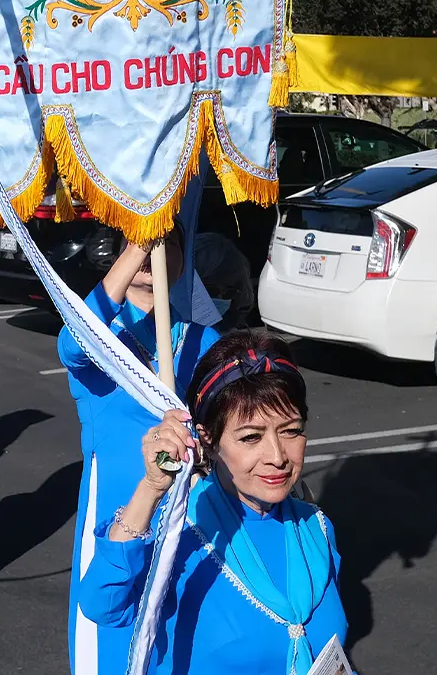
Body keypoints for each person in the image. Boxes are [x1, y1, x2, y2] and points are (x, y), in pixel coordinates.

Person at [79, 333, 347, 674]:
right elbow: (103, 603)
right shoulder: (178, 533)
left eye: (291, 431)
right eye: (251, 437)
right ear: (208, 438)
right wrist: (152, 486)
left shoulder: (316, 529)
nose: (277, 456)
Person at [62, 227, 223, 675]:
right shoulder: (98, 336)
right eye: (141, 242)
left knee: (177, 629)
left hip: (186, 504)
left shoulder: (201, 339)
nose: (154, 250)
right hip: (118, 503)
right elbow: (73, 343)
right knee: (113, 621)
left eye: (165, 241)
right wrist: (137, 246)